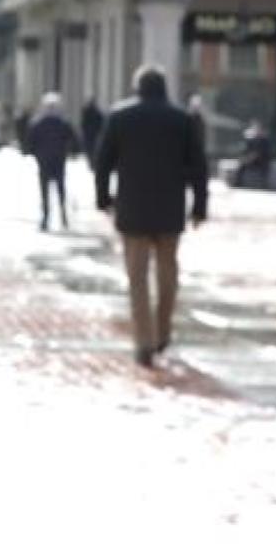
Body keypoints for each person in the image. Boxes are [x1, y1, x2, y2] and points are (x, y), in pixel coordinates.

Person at [95, 65, 207, 368]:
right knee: (168, 275)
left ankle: (144, 341)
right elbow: (199, 167)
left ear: (137, 88)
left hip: (133, 209)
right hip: (170, 210)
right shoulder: (182, 119)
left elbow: (103, 162)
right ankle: (163, 332)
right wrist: (199, 207)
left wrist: (104, 199)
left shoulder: (120, 116)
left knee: (137, 279)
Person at [27, 92, 78, 231]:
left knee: (45, 190)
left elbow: (30, 143)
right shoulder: (63, 122)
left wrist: (36, 154)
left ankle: (46, 218)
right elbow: (74, 139)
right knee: (60, 189)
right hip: (59, 160)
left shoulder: (38, 123)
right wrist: (70, 152)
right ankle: (63, 217)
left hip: (44, 161)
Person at [234, 120, 272, 189]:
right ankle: (238, 182)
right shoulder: (250, 140)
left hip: (261, 161)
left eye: (258, 129)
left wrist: (255, 155)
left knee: (265, 166)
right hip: (251, 160)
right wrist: (246, 157)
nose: (257, 131)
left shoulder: (264, 141)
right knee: (241, 164)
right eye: (255, 129)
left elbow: (265, 152)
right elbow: (245, 150)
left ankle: (264, 184)